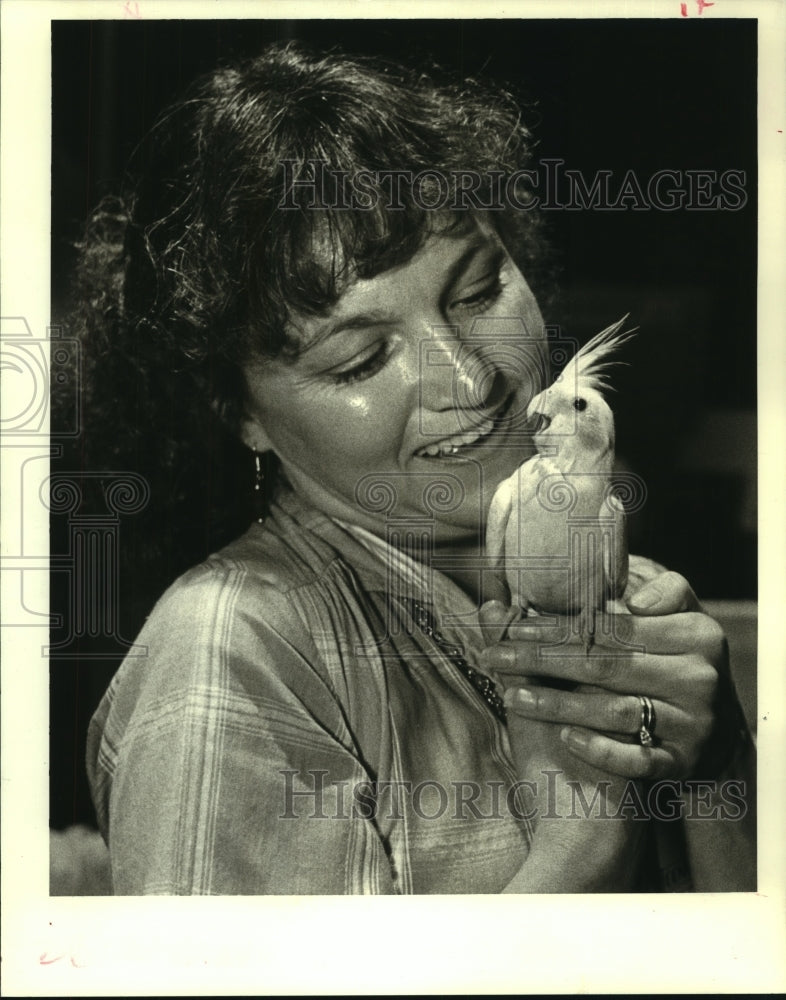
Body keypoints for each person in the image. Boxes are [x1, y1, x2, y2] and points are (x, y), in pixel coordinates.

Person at [78, 41, 754, 894]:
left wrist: (719, 768)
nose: (470, 380)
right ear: (240, 412)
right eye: (360, 360)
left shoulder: (625, 585)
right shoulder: (233, 652)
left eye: (476, 293)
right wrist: (582, 842)